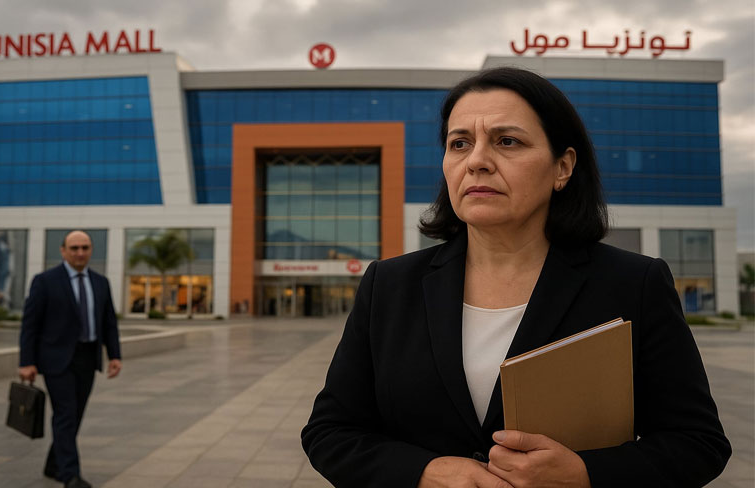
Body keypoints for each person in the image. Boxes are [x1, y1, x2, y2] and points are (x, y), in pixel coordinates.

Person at [301, 67, 731, 488]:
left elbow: (698, 443)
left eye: (507, 141)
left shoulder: (633, 283)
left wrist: (585, 475)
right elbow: (330, 432)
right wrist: (423, 473)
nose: (477, 162)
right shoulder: (389, 285)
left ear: (562, 167)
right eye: (459, 143)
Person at [19, 230, 122, 488]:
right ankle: (70, 475)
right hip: (57, 359)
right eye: (74, 248)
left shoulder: (100, 282)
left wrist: (115, 355)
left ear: (91, 250)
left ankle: (53, 464)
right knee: (65, 413)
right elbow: (30, 325)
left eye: (85, 248)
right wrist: (26, 361)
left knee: (75, 415)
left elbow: (109, 322)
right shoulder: (45, 281)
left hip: (88, 357)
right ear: (63, 251)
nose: (80, 253)